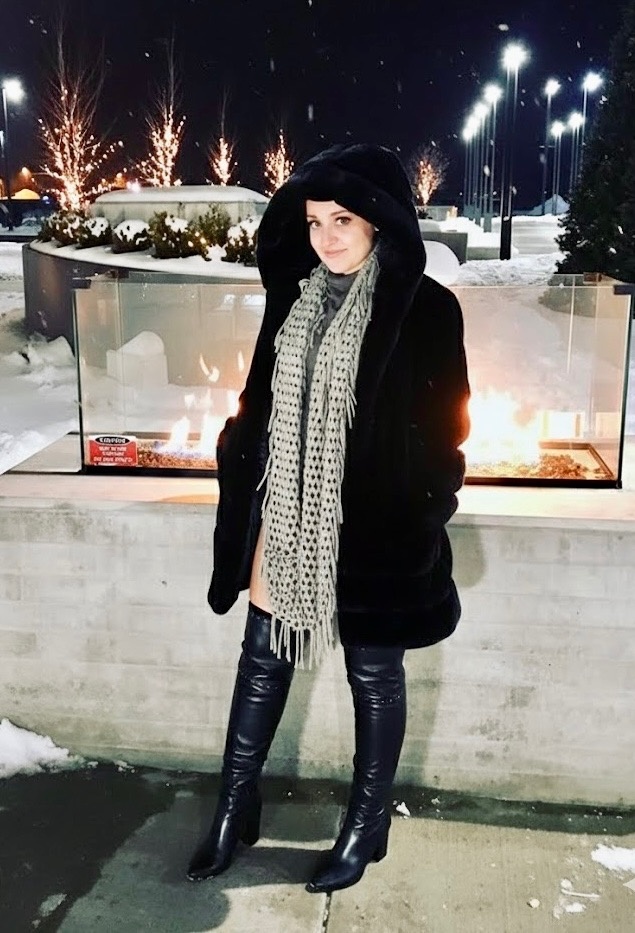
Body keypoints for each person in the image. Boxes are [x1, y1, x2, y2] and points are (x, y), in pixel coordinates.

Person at [187, 142, 471, 893]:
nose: (326, 237)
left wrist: (420, 511)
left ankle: (366, 823)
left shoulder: (426, 309)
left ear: (379, 220)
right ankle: (235, 805)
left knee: (373, 675)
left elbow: (446, 431)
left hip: (377, 530)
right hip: (288, 514)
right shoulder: (296, 299)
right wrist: (240, 453)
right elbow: (259, 401)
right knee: (261, 657)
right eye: (314, 222)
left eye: (342, 219)